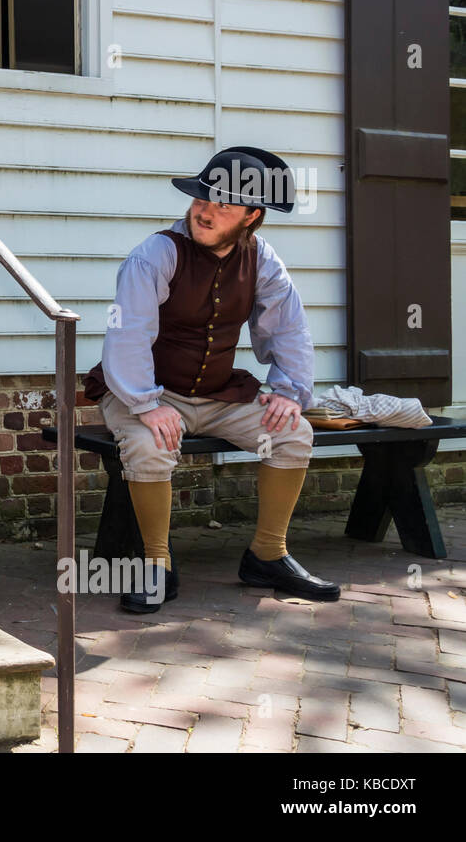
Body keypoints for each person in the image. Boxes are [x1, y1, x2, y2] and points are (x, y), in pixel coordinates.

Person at [82, 146, 339, 613]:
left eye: (224, 203)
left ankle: (267, 554)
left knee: (292, 433)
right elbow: (127, 335)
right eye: (203, 198)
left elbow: (288, 328)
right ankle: (157, 565)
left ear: (252, 216)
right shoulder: (156, 254)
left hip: (218, 394)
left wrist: (288, 391)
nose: (206, 210)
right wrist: (146, 403)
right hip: (143, 392)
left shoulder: (261, 258)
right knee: (148, 444)